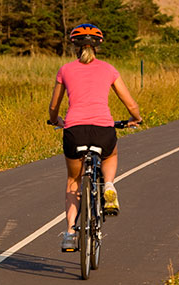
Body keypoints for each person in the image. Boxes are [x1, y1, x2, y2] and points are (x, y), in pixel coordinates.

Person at [48, 24, 142, 251]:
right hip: (103, 130)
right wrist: (135, 118)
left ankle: (70, 233)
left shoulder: (65, 70)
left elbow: (54, 107)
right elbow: (130, 103)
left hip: (74, 130)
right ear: (97, 47)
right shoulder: (109, 70)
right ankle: (109, 184)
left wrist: (55, 119)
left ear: (75, 47)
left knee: (73, 181)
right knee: (110, 154)